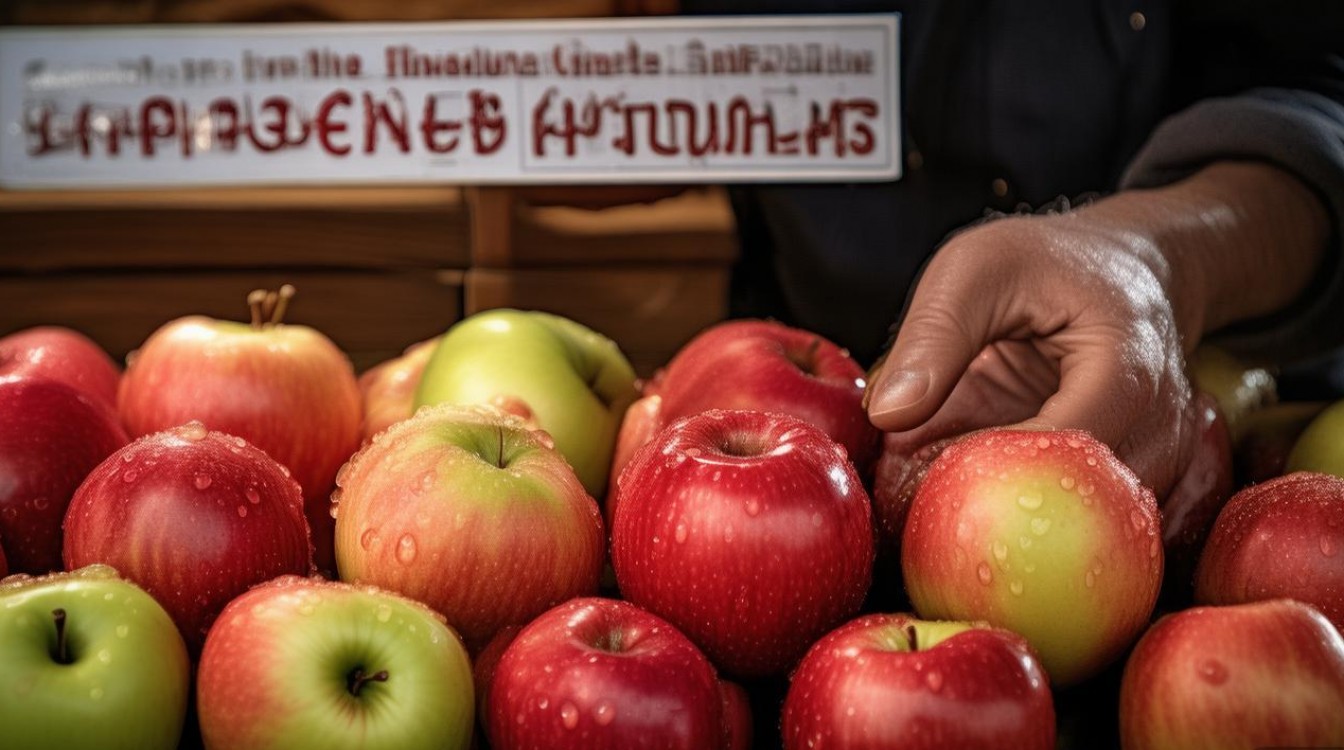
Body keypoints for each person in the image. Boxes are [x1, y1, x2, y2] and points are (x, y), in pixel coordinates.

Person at [683, 0, 1344, 499]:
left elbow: (1324, 86)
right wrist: (614, 113)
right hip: (775, 459)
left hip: (1215, 441)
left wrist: (1159, 258)